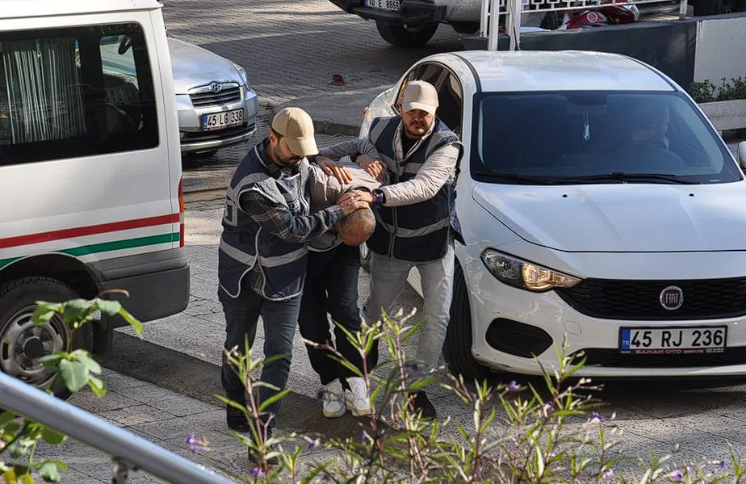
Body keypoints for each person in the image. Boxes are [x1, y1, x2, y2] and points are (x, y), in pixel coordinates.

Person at [217, 107, 368, 453]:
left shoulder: (300, 161)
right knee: (238, 349)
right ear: (273, 138)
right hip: (242, 277)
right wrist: (340, 210)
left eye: (305, 151)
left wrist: (350, 182)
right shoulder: (252, 183)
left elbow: (316, 175)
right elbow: (292, 229)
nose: (301, 158)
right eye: (294, 150)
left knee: (279, 355)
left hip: (285, 279)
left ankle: (263, 433)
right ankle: (236, 405)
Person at [353, 80, 463, 419]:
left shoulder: (447, 144)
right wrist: (361, 155)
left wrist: (378, 196)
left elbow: (426, 186)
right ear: (400, 109)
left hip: (435, 245)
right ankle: (359, 375)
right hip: (391, 243)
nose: (419, 118)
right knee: (375, 313)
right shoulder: (380, 128)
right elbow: (357, 145)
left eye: (426, 113)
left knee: (437, 317)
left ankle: (416, 389)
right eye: (413, 111)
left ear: (435, 113)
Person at [299, 154, 381, 418]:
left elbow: (362, 145)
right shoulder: (318, 186)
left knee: (345, 310)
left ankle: (356, 381)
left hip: (340, 252)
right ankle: (331, 382)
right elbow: (303, 155)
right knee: (311, 320)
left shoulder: (364, 188)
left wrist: (362, 156)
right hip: (304, 252)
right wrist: (319, 156)